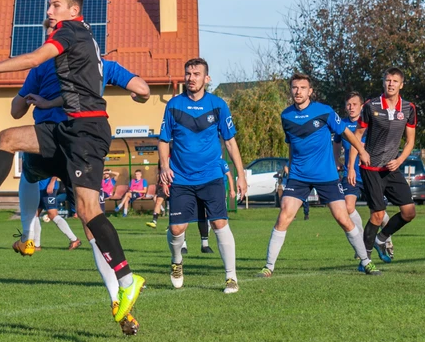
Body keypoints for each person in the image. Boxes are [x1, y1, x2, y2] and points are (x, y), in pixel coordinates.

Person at [0, 0, 145, 326]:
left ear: (74, 10)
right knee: (10, 138)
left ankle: (128, 282)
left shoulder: (70, 31)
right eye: (49, 6)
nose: (48, 11)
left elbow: (33, 58)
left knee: (89, 213)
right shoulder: (82, 39)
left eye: (55, 5)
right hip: (68, 129)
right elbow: (82, 89)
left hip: (86, 134)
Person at [255, 72, 381, 278]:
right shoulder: (286, 116)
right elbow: (291, 144)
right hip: (298, 176)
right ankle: (268, 266)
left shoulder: (325, 112)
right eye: (295, 87)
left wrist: (362, 150)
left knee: (343, 218)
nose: (298, 91)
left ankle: (366, 262)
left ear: (310, 91)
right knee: (284, 216)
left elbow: (347, 133)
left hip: (326, 176)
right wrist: (289, 163)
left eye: (302, 88)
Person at [159, 57, 247, 294]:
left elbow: (230, 141)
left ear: (206, 79)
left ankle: (231, 278)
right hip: (181, 179)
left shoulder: (218, 105)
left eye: (196, 74)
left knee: (219, 223)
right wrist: (164, 167)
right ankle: (177, 262)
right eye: (188, 73)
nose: (191, 78)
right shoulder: (174, 105)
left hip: (210, 176)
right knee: (177, 229)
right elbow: (164, 140)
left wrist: (240, 174)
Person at [348, 67, 417, 265]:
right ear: (383, 82)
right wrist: (352, 166)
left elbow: (410, 141)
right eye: (387, 80)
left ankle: (380, 239)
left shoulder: (409, 109)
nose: (391, 84)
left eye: (395, 81)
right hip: (370, 168)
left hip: (392, 168)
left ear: (401, 85)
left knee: (409, 212)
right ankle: (365, 260)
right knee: (377, 214)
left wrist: (400, 160)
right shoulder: (371, 106)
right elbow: (357, 136)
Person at [333, 91, 393, 258]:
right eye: (348, 104)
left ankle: (386, 238)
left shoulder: (368, 124)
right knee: (348, 207)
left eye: (354, 104)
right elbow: (337, 143)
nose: (351, 107)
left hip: (370, 173)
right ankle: (362, 242)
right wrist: (336, 160)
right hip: (351, 174)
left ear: (361, 106)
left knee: (378, 212)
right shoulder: (342, 125)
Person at [33, 177, 81, 251]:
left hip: (48, 187)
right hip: (39, 188)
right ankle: (36, 245)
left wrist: (51, 183)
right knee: (34, 214)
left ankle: (74, 240)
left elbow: (55, 168)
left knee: (52, 214)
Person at [146, 161, 168, 229]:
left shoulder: (173, 158)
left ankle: (172, 225)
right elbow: (158, 178)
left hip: (172, 186)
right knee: (158, 201)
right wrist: (156, 192)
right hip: (162, 186)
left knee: (174, 205)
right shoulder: (160, 163)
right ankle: (154, 221)